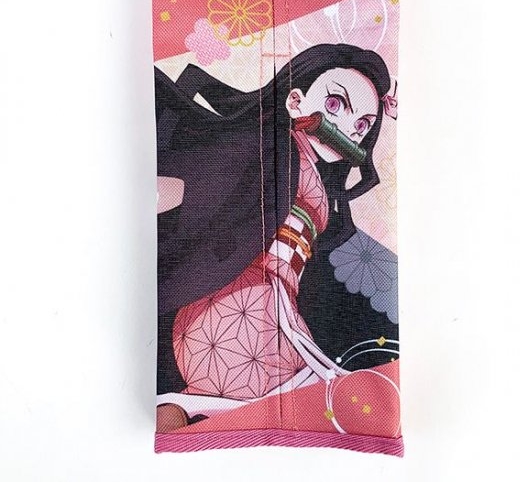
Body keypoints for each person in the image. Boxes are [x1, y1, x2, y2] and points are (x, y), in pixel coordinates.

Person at [154, 44, 399, 429]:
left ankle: (176, 414)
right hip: (241, 307)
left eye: (362, 125)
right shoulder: (276, 149)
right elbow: (200, 185)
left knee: (299, 400)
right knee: (320, 400)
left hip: (273, 306)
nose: (348, 129)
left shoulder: (317, 177)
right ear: (296, 101)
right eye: (335, 104)